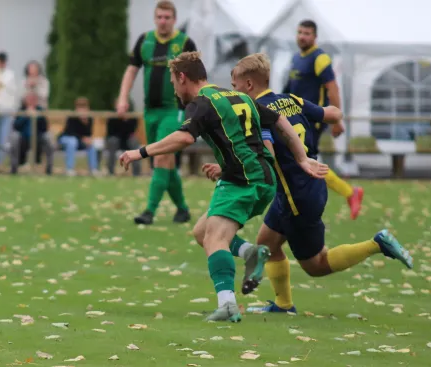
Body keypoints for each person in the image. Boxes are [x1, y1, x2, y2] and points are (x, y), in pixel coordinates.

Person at [119, 52, 328, 322]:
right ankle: (250, 252)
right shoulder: (239, 97)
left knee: (215, 239)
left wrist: (141, 152)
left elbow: (183, 138)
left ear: (183, 78)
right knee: (201, 232)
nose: (175, 89)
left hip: (241, 181)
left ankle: (227, 304)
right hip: (264, 181)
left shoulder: (202, 103)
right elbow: (279, 121)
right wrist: (302, 157)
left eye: (174, 83)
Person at [206, 53, 413, 313]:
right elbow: (331, 112)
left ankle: (376, 244)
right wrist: (337, 121)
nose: (233, 91)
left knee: (317, 264)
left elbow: (266, 154)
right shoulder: (289, 100)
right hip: (304, 184)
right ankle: (283, 304)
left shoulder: (259, 113)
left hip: (297, 194)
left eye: (235, 86)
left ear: (249, 85)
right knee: (266, 245)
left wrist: (226, 169)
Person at [117, 0, 196, 225]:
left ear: (174, 19)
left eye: (167, 18)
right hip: (150, 111)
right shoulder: (145, 40)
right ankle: (182, 209)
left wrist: (195, 105)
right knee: (165, 162)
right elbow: (131, 70)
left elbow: (197, 76)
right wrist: (123, 97)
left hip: (174, 110)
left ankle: (149, 212)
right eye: (159, 17)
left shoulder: (184, 42)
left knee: (161, 156)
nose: (163, 21)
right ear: (154, 18)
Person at [284, 20, 364, 220]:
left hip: (313, 120)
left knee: (305, 161)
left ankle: (347, 193)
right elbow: (289, 91)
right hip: (296, 119)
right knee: (302, 161)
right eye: (300, 32)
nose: (302, 36)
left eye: (307, 33)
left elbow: (332, 88)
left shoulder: (320, 58)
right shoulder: (296, 58)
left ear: (315, 37)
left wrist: (336, 120)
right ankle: (346, 193)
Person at [9, 91, 53, 175]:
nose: (31, 101)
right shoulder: (21, 110)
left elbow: (45, 128)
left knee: (48, 137)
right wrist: (26, 115)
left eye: (33, 100)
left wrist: (38, 117)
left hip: (38, 138)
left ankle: (49, 168)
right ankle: (14, 168)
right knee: (14, 137)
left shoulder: (40, 110)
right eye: (29, 99)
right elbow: (16, 126)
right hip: (23, 139)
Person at [58, 96, 98, 176]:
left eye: (84, 107)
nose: (82, 109)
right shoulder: (72, 117)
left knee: (91, 146)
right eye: (80, 107)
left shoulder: (89, 119)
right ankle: (69, 169)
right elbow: (70, 132)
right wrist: (82, 138)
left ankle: (93, 169)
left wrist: (85, 123)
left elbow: (89, 134)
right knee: (72, 141)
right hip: (66, 139)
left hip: (79, 142)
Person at [106, 98, 140, 176]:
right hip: (116, 140)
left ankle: (137, 173)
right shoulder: (112, 117)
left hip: (127, 140)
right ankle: (110, 172)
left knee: (134, 142)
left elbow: (132, 131)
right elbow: (110, 132)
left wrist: (126, 120)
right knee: (112, 141)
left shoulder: (132, 116)